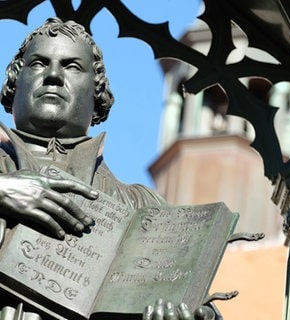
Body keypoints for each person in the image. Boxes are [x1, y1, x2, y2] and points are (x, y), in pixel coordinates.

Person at [0, 18, 215, 320]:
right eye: (38, 63)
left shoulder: (141, 207)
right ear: (14, 82)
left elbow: (198, 302)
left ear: (96, 91)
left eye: (72, 67)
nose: (52, 75)